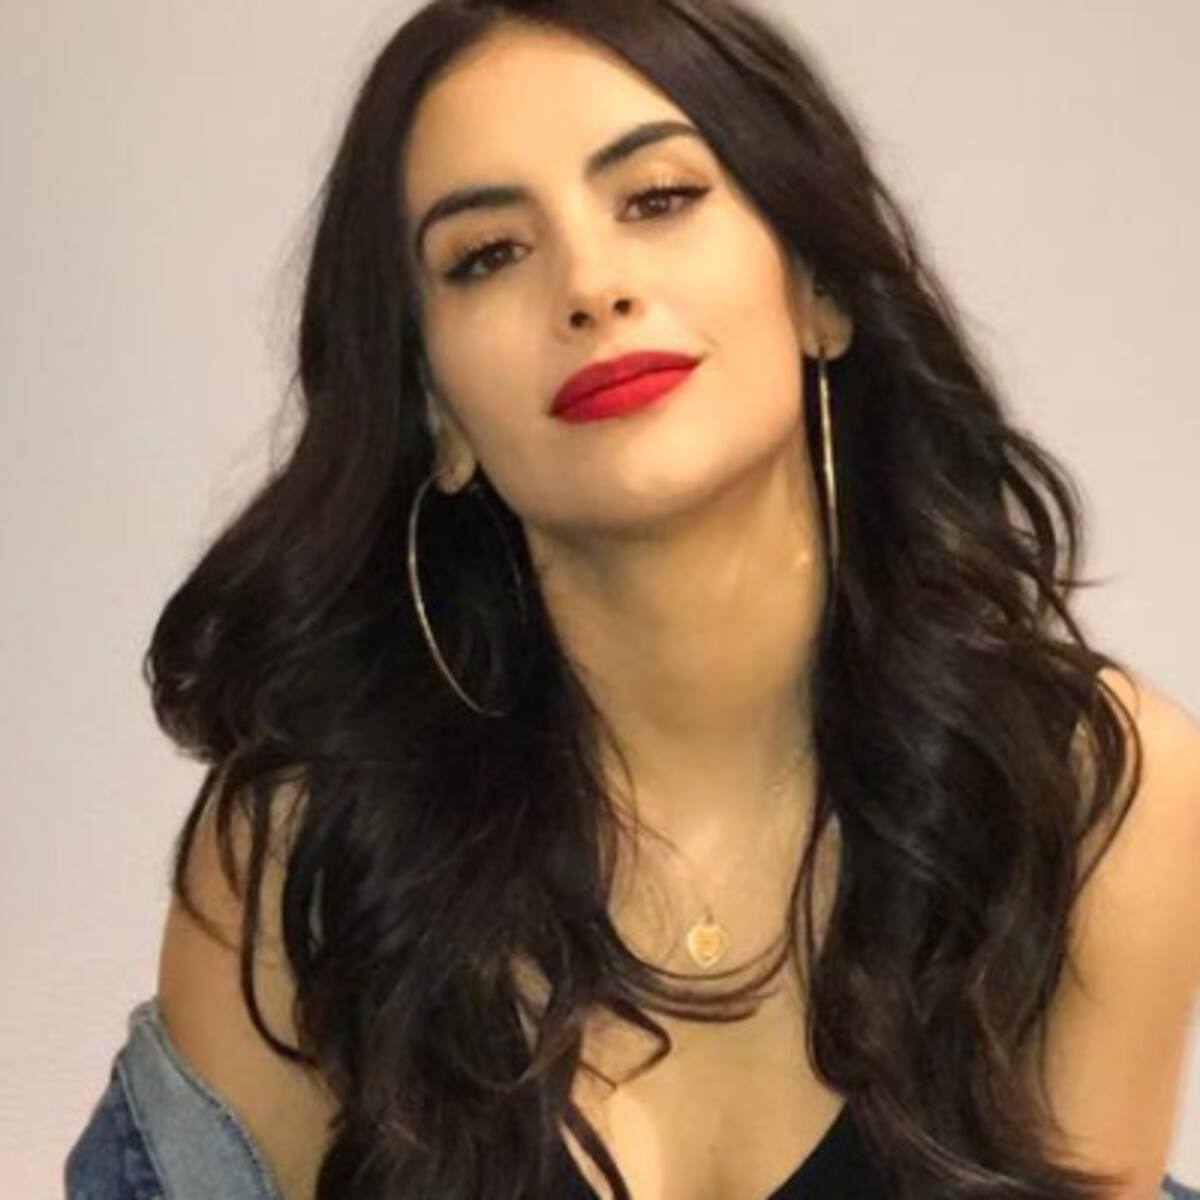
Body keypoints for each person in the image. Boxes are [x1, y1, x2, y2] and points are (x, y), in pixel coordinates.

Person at [64, 1, 1200, 1198]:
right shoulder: (303, 849)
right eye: (488, 254)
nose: (590, 285)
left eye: (657, 198)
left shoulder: (1086, 792)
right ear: (437, 413)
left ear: (819, 291)